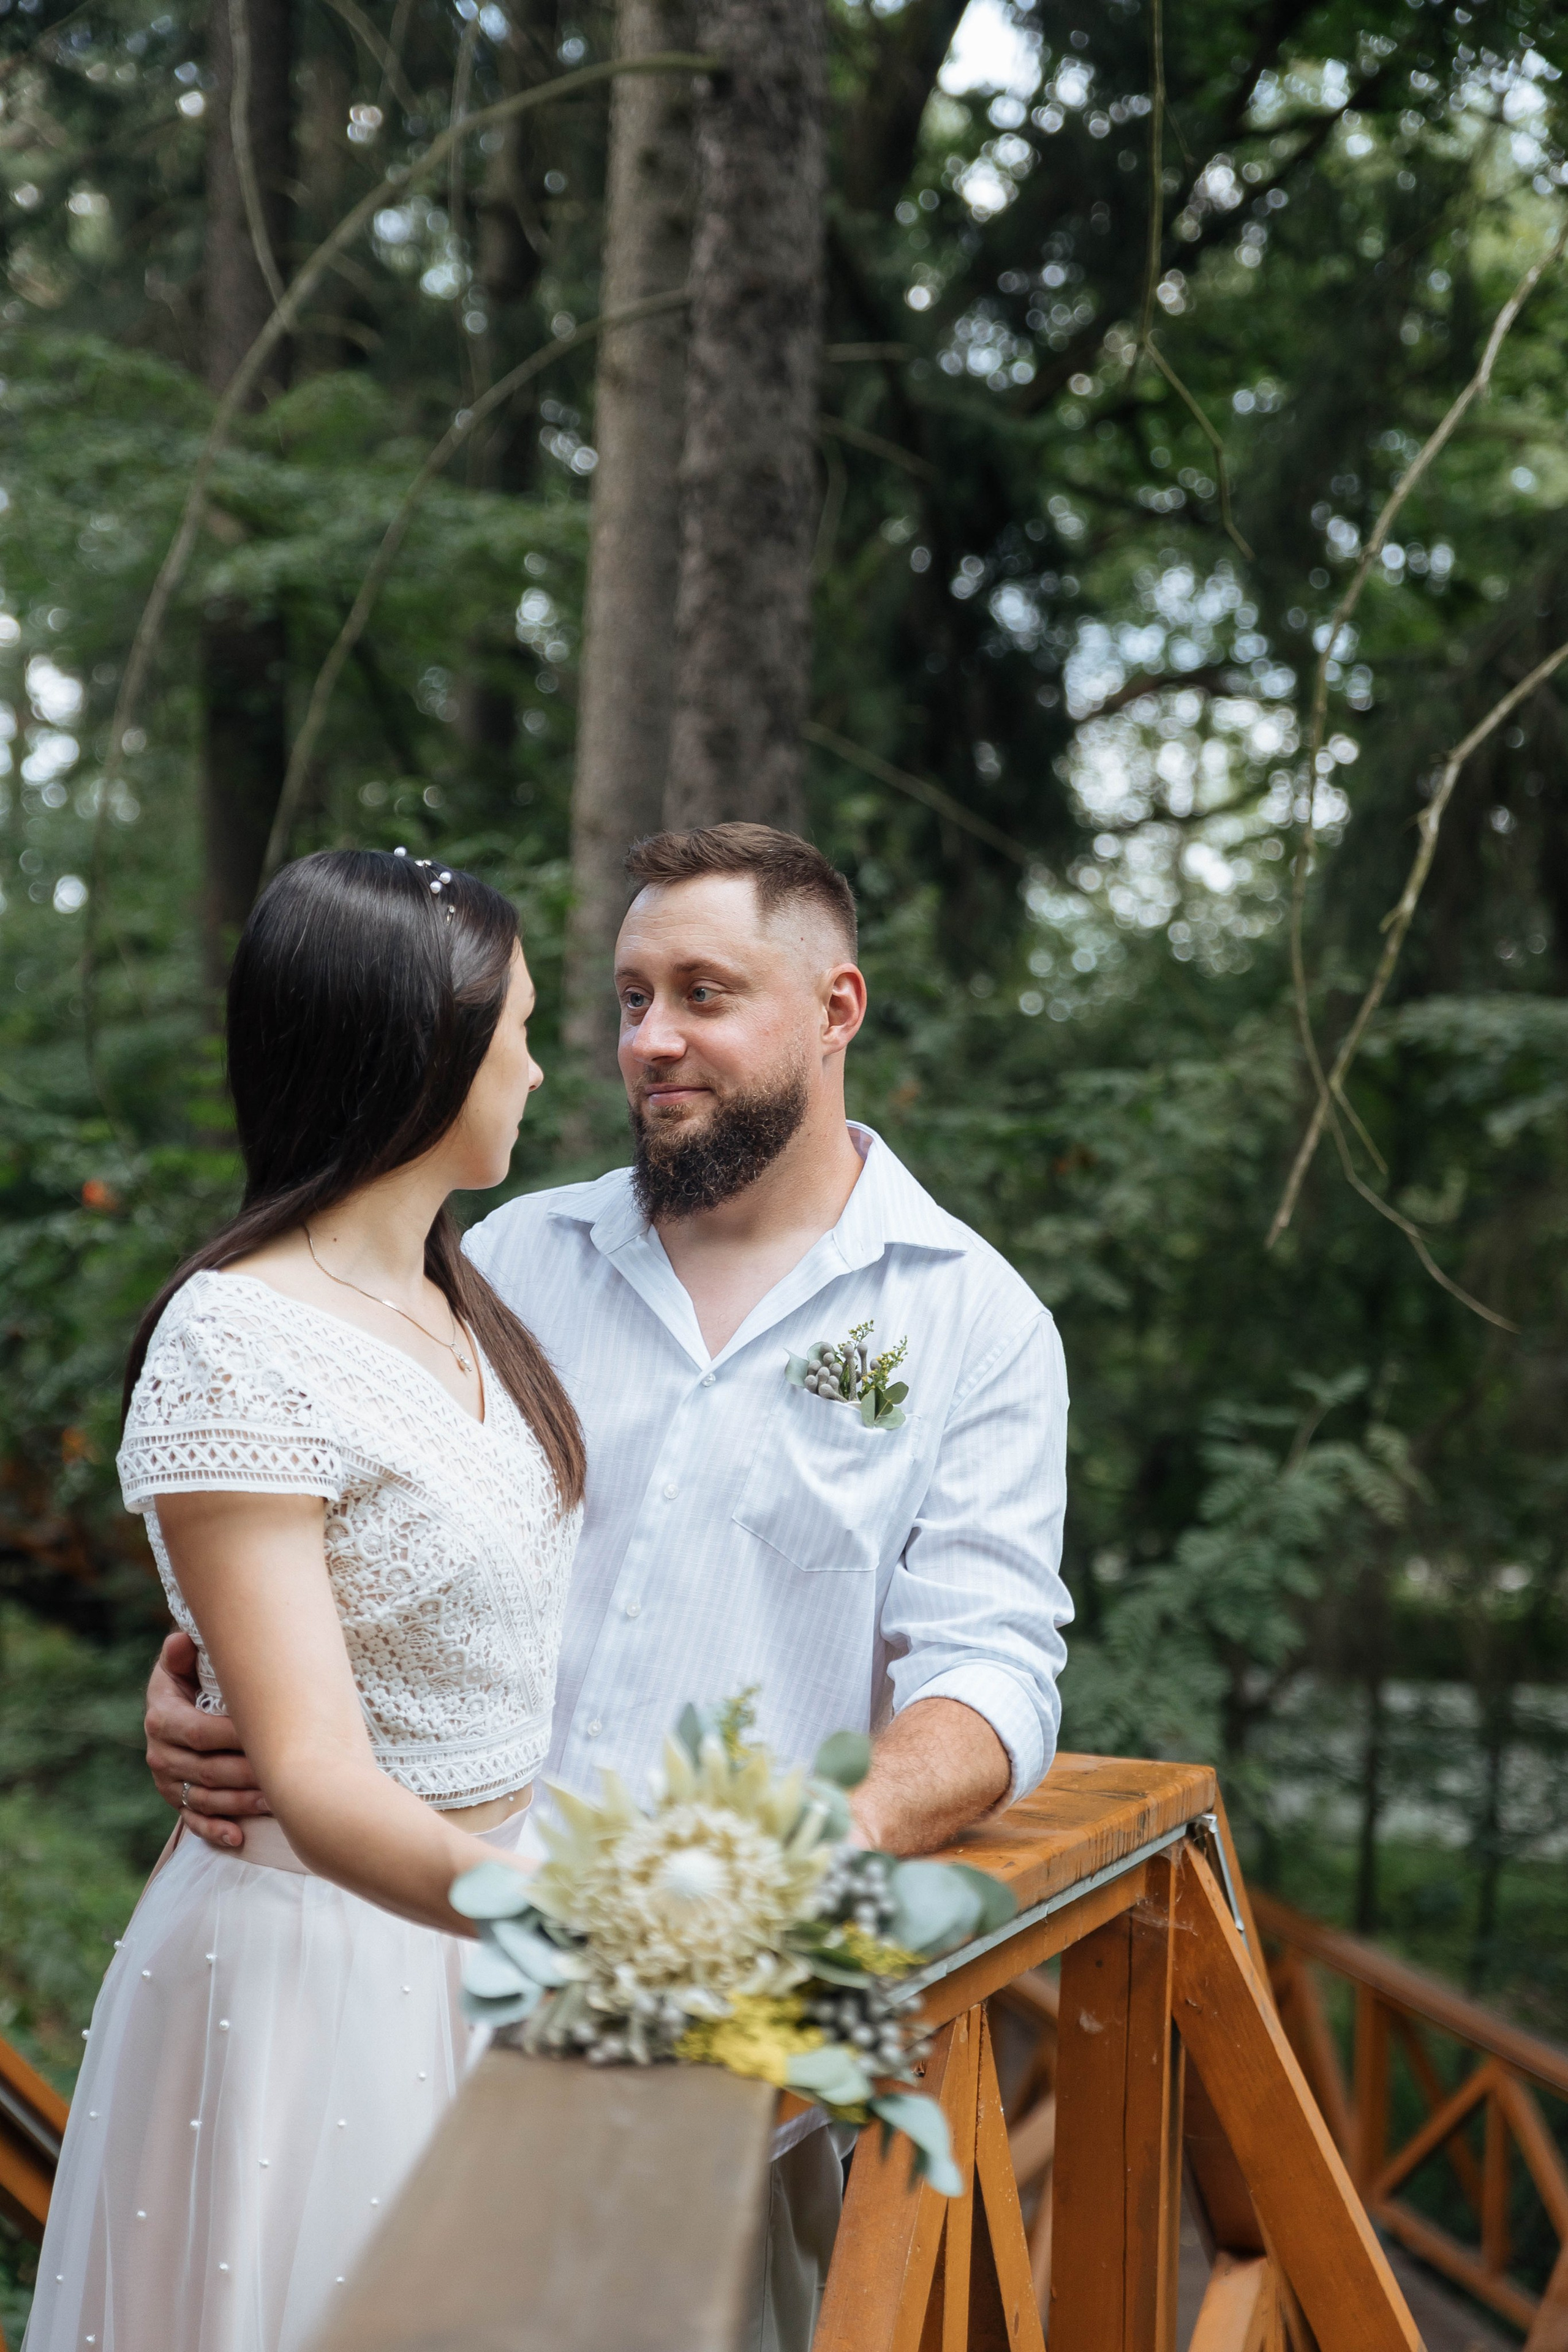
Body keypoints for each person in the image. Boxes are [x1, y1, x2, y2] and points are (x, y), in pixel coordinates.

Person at [145, 822, 1072, 2352]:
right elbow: (323, 1535)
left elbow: (991, 1672)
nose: (651, 1041)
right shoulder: (506, 1259)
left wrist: (799, 1854)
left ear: (836, 1010)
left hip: (702, 2059)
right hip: (404, 1998)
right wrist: (199, 1679)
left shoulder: (972, 1324)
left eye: (703, 994)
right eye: (629, 997)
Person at [27, 850, 586, 2352]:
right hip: (330, 1966)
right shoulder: (239, 1341)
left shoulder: (462, 1291)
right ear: (422, 1048)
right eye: (517, 1026)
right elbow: (323, 1780)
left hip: (487, 1942)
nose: (539, 1061)